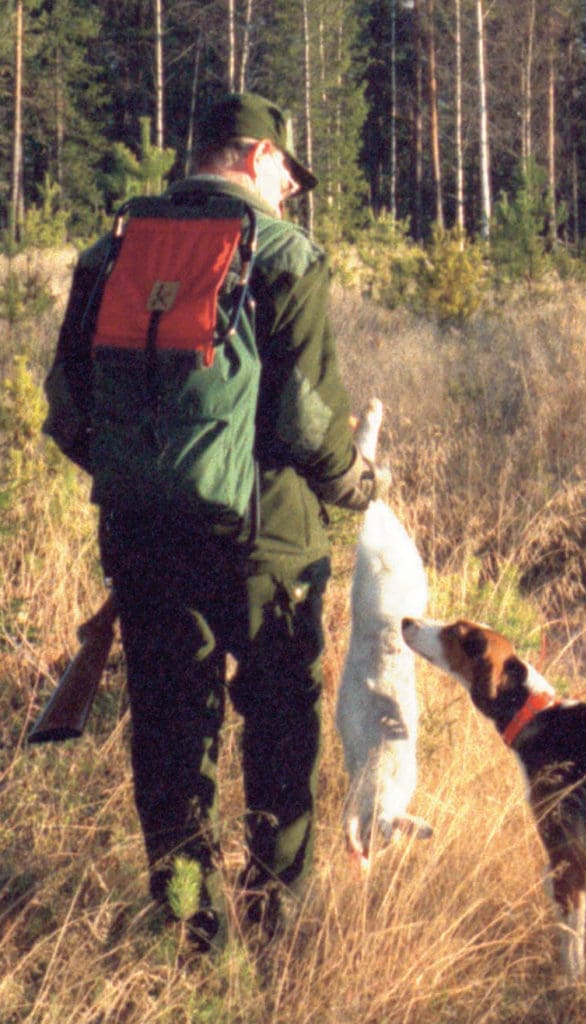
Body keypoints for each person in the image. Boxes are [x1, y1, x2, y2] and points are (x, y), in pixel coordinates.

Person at [43, 92, 387, 951]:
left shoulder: (109, 249)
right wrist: (360, 485)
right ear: (262, 157)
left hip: (143, 537)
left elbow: (66, 407)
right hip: (266, 541)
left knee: (167, 730)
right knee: (277, 726)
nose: (289, 194)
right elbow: (310, 421)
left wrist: (153, 478)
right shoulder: (282, 253)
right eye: (288, 177)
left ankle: (195, 936)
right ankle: (274, 930)